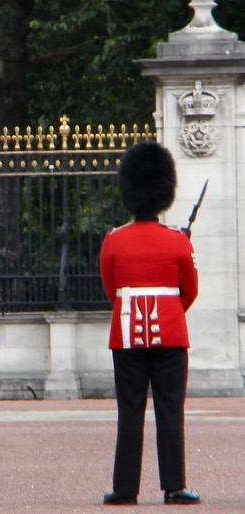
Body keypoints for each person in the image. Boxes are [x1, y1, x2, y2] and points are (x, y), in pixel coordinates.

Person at [99, 141, 200, 506]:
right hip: (171, 336)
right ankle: (174, 486)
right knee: (170, 409)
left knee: (129, 410)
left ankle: (125, 488)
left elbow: (112, 290)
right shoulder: (177, 241)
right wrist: (169, 313)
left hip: (126, 336)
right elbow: (189, 291)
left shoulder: (113, 240)